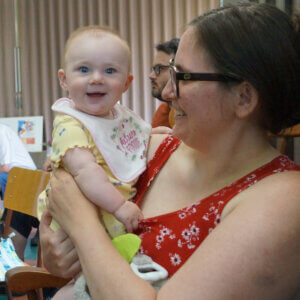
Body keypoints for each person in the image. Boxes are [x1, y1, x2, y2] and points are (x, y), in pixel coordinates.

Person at [42, 3, 300, 299]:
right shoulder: (149, 150)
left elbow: (77, 214)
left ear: (243, 97)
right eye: (170, 72)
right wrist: (57, 252)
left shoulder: (284, 201)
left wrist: (82, 224)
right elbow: (63, 203)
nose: (166, 92)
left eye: (184, 77)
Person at [0, 123, 37, 259]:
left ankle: (13, 258)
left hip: (23, 177)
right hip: (14, 178)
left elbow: (6, 167)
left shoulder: (1, 131)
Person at [150, 38, 179, 128]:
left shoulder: (196, 114)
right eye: (153, 69)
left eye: (160, 68)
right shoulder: (162, 111)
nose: (151, 75)